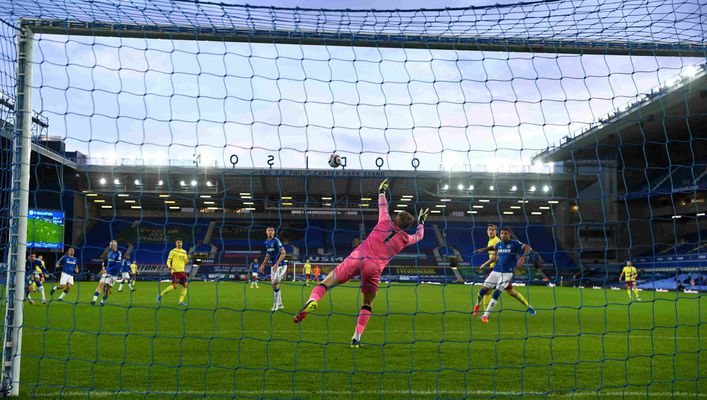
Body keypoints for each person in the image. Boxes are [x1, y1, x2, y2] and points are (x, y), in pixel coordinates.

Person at [294, 179, 429, 348]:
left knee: (325, 283)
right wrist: (421, 222)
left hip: (358, 257)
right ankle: (355, 338)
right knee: (367, 304)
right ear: (407, 226)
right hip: (374, 268)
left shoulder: (385, 221)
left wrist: (381, 191)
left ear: (396, 218)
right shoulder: (406, 239)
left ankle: (313, 299)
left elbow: (382, 205)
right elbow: (420, 237)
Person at [472, 227, 535, 322]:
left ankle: (485, 315)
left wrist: (522, 257)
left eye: (505, 233)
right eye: (502, 233)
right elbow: (493, 247)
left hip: (506, 274)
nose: (503, 235)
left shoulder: (515, 243)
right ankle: (477, 305)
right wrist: (482, 249)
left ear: (509, 234)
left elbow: (528, 247)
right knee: (483, 291)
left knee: (497, 292)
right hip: (495, 271)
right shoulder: (499, 244)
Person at [260, 228, 287, 311]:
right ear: (266, 232)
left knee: (274, 283)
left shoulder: (276, 241)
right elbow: (268, 254)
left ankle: (275, 305)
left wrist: (277, 263)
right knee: (275, 286)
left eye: (272, 230)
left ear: (274, 232)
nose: (270, 232)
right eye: (269, 230)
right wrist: (263, 265)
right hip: (273, 267)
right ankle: (280, 304)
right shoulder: (266, 242)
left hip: (281, 266)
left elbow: (283, 253)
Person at [157, 239, 190, 306]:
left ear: (182, 243)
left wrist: (187, 259)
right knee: (175, 286)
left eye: (180, 242)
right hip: (175, 271)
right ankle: (160, 295)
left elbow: (186, 262)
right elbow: (168, 260)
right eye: (178, 242)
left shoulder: (184, 252)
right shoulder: (173, 251)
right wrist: (169, 266)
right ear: (176, 243)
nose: (179, 243)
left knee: (186, 285)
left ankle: (180, 301)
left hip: (182, 271)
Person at [91, 240, 121, 305]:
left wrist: (108, 270)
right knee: (100, 285)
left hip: (114, 275)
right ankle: (94, 300)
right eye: (111, 245)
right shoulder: (109, 253)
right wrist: (104, 268)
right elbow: (105, 263)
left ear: (116, 246)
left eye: (113, 245)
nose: (112, 246)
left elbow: (117, 266)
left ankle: (103, 301)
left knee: (107, 290)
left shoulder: (118, 253)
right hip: (106, 273)